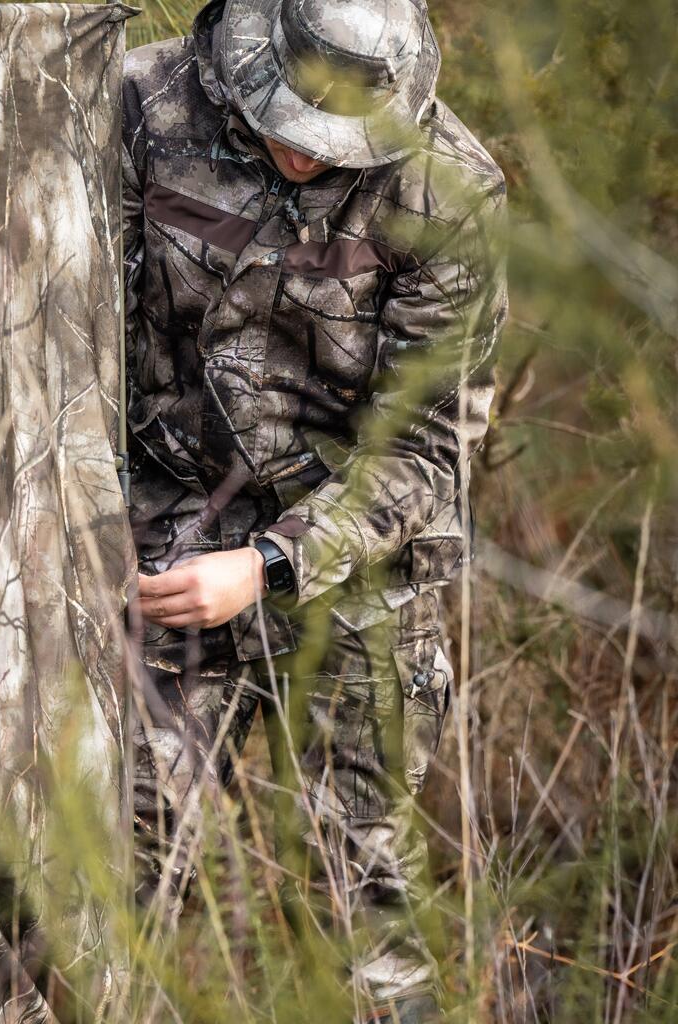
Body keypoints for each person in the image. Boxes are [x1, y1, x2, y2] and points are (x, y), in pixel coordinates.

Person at [121, 0, 507, 1018]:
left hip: (358, 577)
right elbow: (66, 332)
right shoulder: (144, 103)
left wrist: (268, 564)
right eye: (287, 119)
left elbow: (426, 446)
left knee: (361, 896)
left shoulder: (451, 193)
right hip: (168, 532)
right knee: (119, 859)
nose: (301, 151)